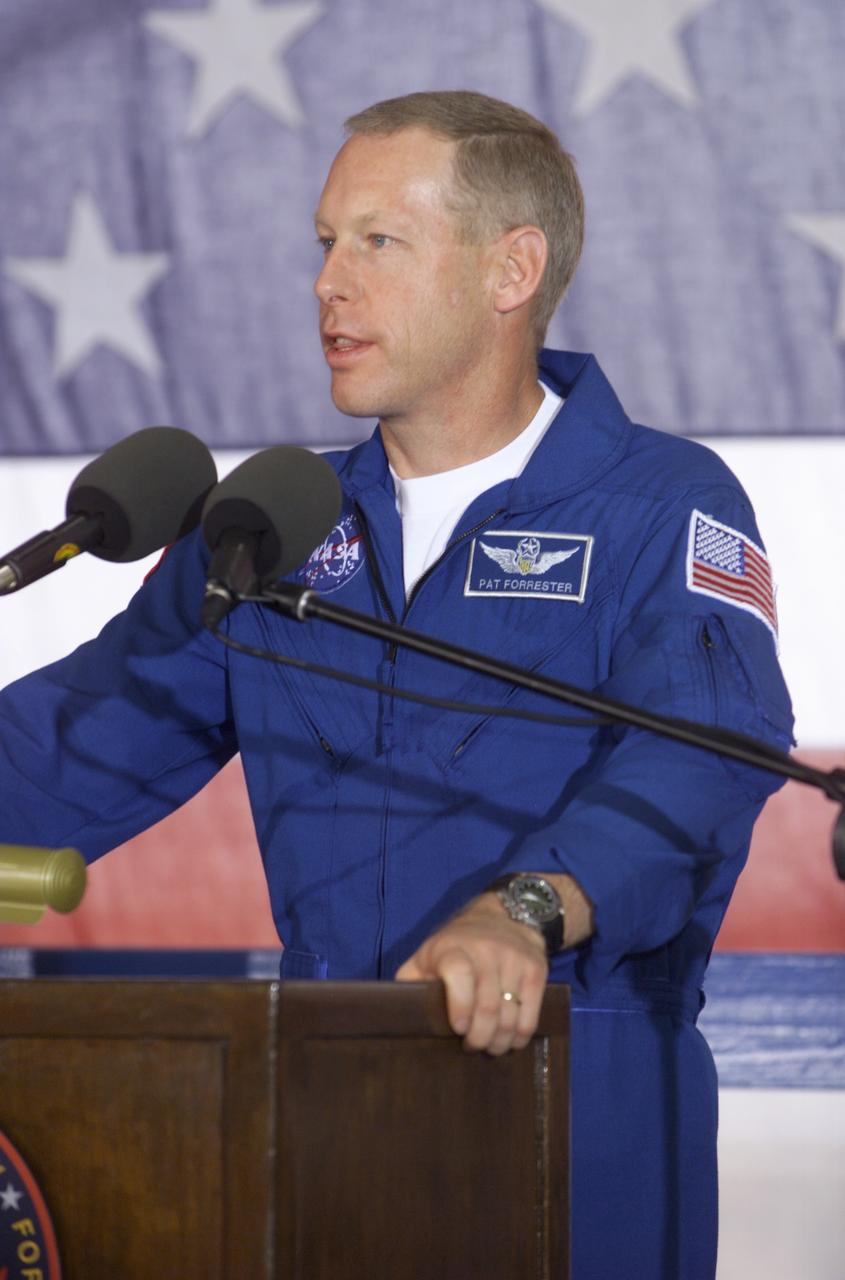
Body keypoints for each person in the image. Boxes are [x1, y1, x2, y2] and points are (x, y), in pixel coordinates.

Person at [0, 92, 793, 1276]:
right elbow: (66, 745)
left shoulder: (657, 501)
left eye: (378, 240)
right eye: (324, 242)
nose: (330, 282)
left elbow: (699, 751)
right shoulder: (267, 527)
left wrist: (521, 909)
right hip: (319, 1104)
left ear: (509, 267)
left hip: (575, 1104)